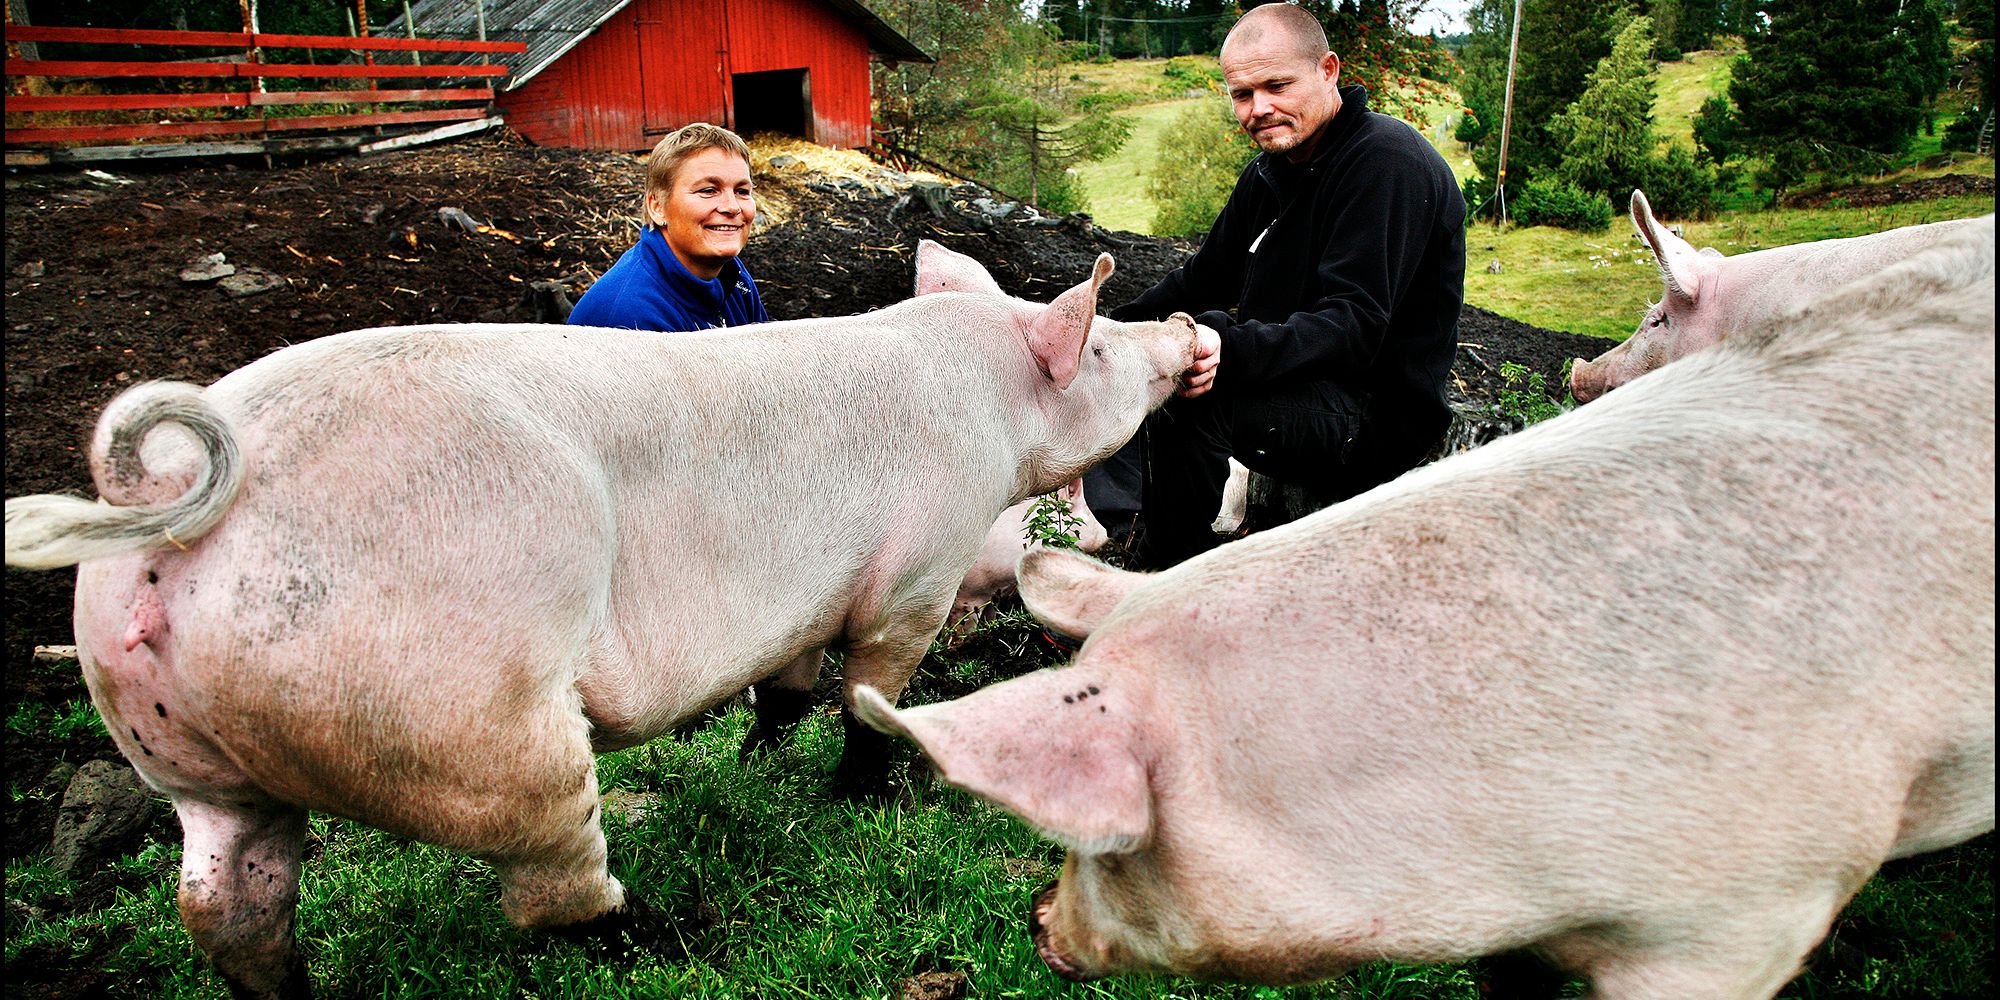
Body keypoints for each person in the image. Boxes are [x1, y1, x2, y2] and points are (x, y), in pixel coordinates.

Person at [1087, 1, 1466, 568]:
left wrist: (1227, 346)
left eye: (1277, 86)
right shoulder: (1273, 170)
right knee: (1157, 355)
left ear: (1328, 70)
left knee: (1199, 390)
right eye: (1242, 94)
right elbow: (1202, 279)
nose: (1259, 109)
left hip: (1375, 414)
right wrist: (1097, 329)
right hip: (1301, 387)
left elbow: (1353, 326)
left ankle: (1164, 575)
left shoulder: (1386, 163)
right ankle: (1121, 527)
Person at [568, 122, 770, 331]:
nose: (732, 207)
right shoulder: (631, 317)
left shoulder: (732, 274)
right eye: (708, 190)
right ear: (657, 207)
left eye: (742, 191)